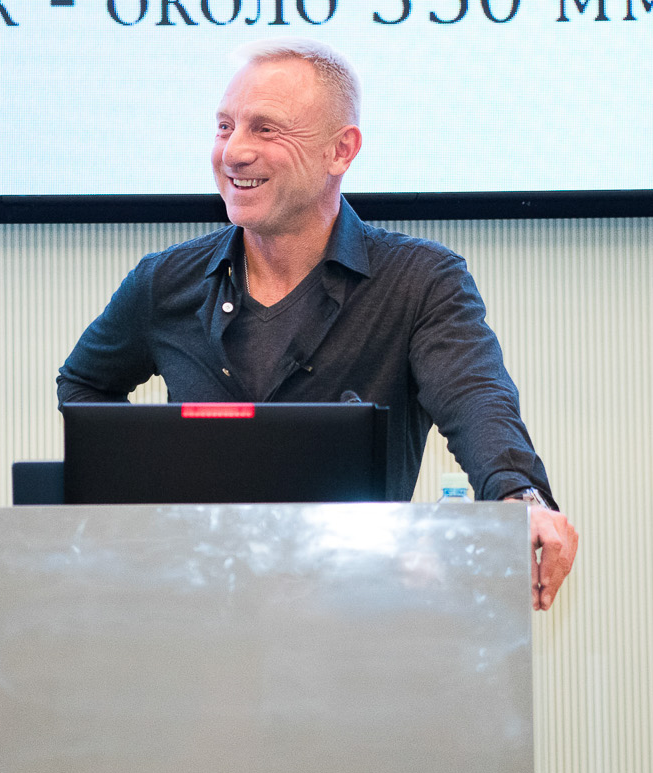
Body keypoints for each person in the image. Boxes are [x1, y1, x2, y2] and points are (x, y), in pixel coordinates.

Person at [57, 40, 579, 608]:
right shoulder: (165, 282)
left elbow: (475, 400)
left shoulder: (420, 280)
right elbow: (85, 384)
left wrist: (520, 499)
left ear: (340, 150)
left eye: (265, 130)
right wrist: (143, 500)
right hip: (190, 608)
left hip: (358, 610)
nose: (234, 152)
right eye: (225, 127)